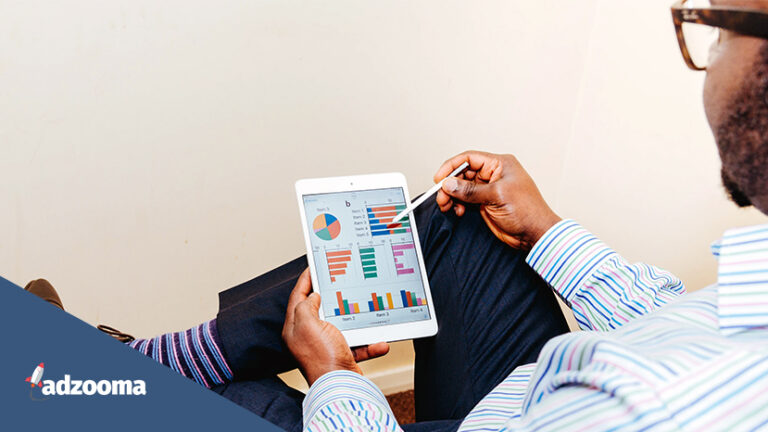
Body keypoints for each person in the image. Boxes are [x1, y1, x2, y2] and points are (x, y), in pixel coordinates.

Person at [27, 0, 768, 430]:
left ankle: (90, 379)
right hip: (529, 403)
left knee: (218, 396)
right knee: (457, 220)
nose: (710, 54)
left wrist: (335, 379)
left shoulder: (660, 411)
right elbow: (672, 323)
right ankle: (149, 357)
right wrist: (547, 229)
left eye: (721, 28)